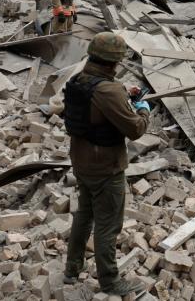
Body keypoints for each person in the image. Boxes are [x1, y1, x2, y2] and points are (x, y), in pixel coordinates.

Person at [63, 32, 150, 297]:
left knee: (84, 216)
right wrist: (143, 109)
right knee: (108, 226)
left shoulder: (78, 80)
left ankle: (71, 270)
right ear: (114, 62)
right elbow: (135, 130)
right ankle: (110, 282)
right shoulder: (109, 90)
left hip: (82, 161)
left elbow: (102, 97)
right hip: (105, 168)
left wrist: (125, 92)